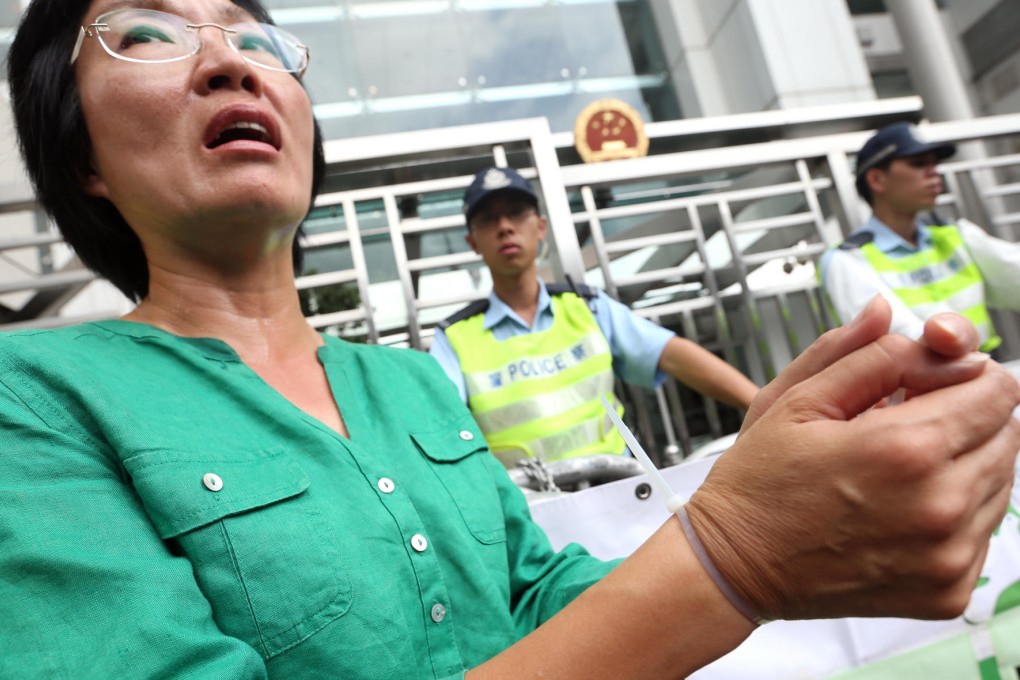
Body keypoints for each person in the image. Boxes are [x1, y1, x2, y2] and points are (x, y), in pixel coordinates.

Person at [1, 2, 1018, 678]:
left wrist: (782, 487)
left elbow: (538, 588)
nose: (231, 63)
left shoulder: (405, 382)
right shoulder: (34, 397)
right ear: (78, 152)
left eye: (260, 43)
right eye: (146, 32)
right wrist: (737, 554)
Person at [430, 166, 760, 466]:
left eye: (516, 213)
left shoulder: (588, 307)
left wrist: (762, 406)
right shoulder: (455, 338)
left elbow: (673, 355)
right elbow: (437, 423)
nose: (504, 227)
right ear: (473, 242)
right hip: (529, 514)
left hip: (620, 491)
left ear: (541, 227)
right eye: (488, 219)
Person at [819, 121, 1020, 352]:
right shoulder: (848, 259)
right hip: (926, 385)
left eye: (934, 163)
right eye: (918, 163)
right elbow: (899, 344)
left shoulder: (956, 236)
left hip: (987, 371)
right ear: (876, 179)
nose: (933, 171)